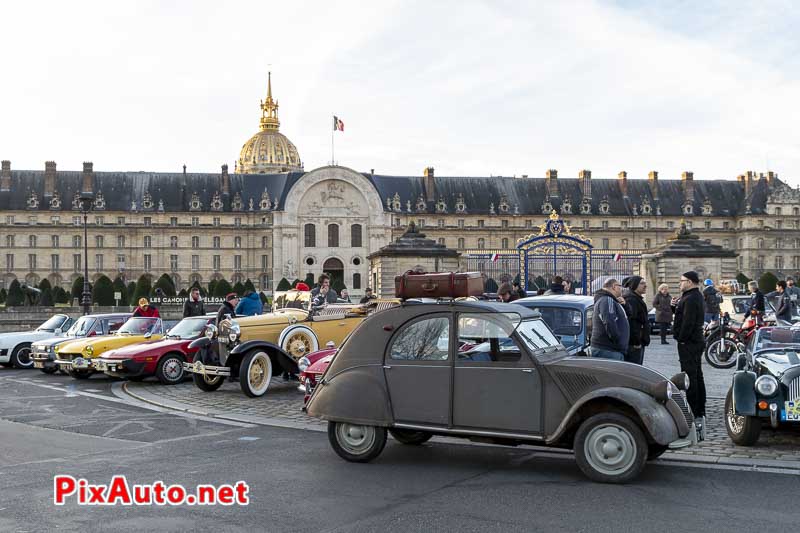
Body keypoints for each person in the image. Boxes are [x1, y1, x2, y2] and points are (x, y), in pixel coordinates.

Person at [672, 271, 707, 440]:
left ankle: (695, 409)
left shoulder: (692, 297)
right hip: (694, 341)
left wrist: (681, 338)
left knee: (690, 377)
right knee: (696, 375)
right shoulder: (692, 296)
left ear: (691, 282)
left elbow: (688, 321)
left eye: (682, 281)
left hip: (690, 342)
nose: (680, 283)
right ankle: (700, 408)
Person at [590, 278, 629, 361]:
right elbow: (609, 321)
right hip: (609, 349)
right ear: (614, 286)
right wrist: (617, 341)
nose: (621, 289)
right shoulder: (607, 300)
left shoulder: (607, 300)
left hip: (608, 349)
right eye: (620, 286)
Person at [622, 276, 649, 365]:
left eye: (645, 283)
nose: (645, 285)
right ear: (634, 285)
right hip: (634, 344)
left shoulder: (636, 298)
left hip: (638, 341)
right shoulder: (631, 299)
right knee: (634, 370)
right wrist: (636, 342)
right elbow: (631, 323)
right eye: (642, 283)